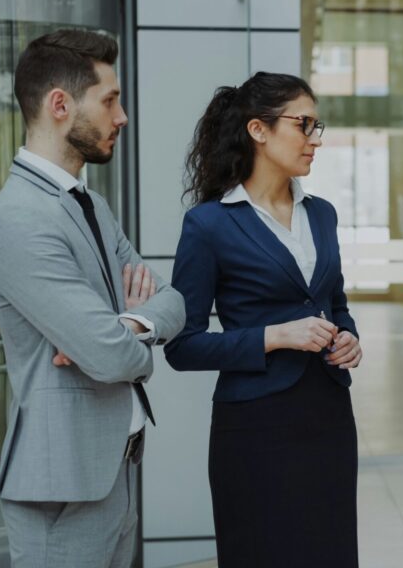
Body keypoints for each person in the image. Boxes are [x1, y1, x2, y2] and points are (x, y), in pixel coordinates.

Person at [0, 29, 185, 567]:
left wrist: (126, 325)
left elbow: (173, 300)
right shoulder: (19, 219)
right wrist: (123, 339)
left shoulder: (88, 203)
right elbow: (107, 355)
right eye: (110, 100)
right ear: (60, 105)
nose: (121, 117)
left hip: (111, 472)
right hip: (62, 490)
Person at [164, 72, 362, 567]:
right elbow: (181, 346)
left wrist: (350, 339)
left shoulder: (323, 215)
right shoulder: (209, 224)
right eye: (305, 125)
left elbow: (335, 304)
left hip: (330, 418)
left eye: (319, 126)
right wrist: (274, 337)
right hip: (255, 428)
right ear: (258, 130)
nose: (316, 139)